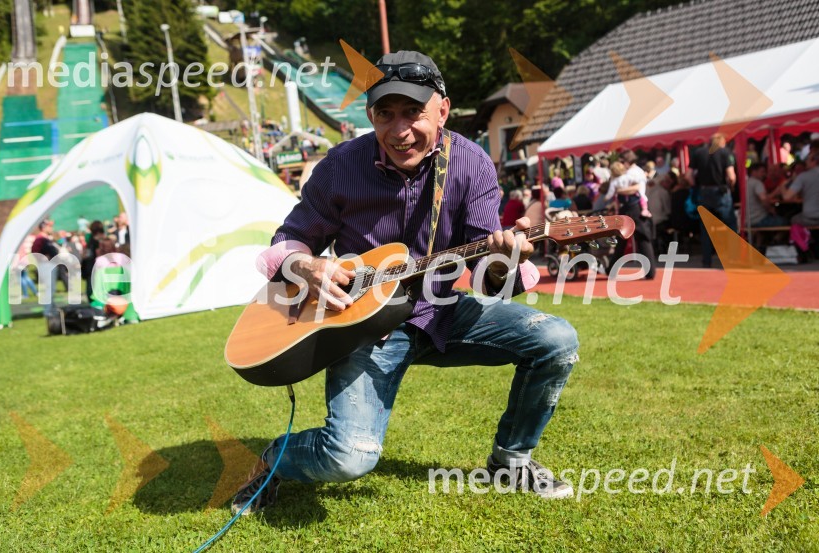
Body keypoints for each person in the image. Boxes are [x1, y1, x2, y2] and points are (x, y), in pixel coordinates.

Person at [233, 50, 580, 514]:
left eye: (413, 112)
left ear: (442, 109)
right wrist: (308, 268)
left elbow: (488, 274)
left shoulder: (471, 163)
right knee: (347, 457)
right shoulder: (340, 165)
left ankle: (510, 460)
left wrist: (501, 260)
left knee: (556, 339)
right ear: (369, 114)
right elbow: (289, 241)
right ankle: (276, 457)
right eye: (385, 114)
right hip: (364, 328)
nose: (399, 131)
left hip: (443, 313)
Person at [687, 133, 737, 268]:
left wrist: (695, 186)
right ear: (721, 142)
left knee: (706, 228)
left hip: (704, 192)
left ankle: (706, 260)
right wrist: (730, 187)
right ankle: (732, 259)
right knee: (730, 225)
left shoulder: (698, 153)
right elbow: (731, 176)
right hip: (721, 191)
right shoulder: (725, 153)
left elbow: (689, 175)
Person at [607, 152, 657, 279]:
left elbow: (636, 188)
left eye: (622, 162)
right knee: (636, 239)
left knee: (636, 238)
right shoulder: (637, 171)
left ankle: (612, 269)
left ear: (627, 162)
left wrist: (618, 190)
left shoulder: (631, 173)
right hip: (635, 206)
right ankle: (649, 271)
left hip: (633, 207)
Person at [780, 150, 819, 226]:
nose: (805, 163)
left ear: (814, 161)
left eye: (807, 160)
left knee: (793, 219)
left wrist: (782, 186)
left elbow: (786, 197)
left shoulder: (803, 176)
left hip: (810, 216)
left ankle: (805, 238)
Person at [745, 163, 785, 228]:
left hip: (747, 220)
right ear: (754, 172)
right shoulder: (757, 183)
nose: (764, 174)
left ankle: (764, 237)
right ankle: (778, 238)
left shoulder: (746, 183)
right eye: (762, 172)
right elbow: (764, 199)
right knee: (786, 221)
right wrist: (771, 209)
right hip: (759, 219)